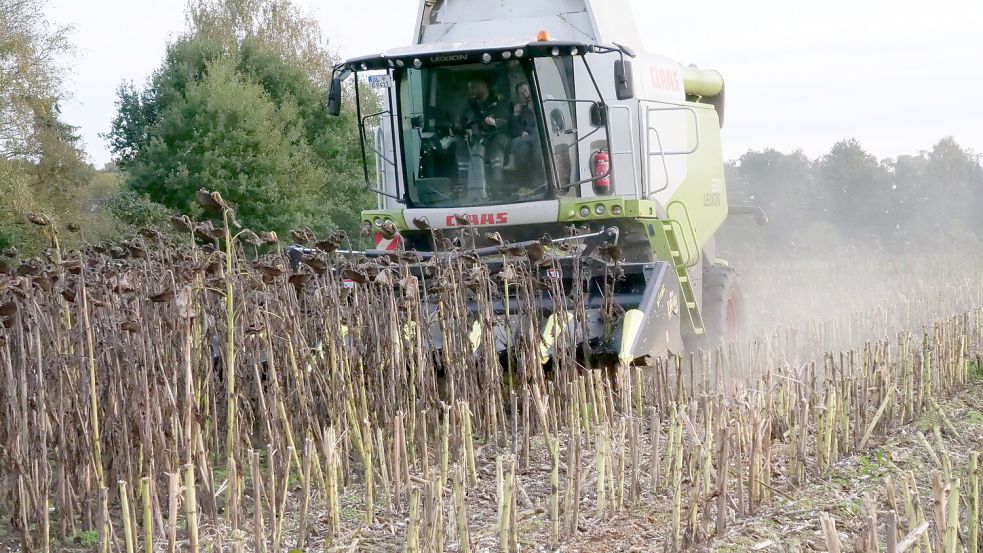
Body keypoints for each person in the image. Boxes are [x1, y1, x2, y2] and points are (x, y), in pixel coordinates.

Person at [458, 76, 511, 187]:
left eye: (474, 87)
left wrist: (495, 122)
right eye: (469, 88)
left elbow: (507, 121)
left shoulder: (498, 100)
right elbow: (462, 122)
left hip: (497, 136)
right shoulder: (469, 104)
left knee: (497, 142)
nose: (471, 90)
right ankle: (463, 185)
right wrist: (464, 129)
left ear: (484, 85)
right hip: (476, 138)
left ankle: (497, 184)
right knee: (461, 145)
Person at [506, 82, 540, 177]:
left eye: (526, 91)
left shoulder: (537, 103)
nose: (525, 95)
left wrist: (532, 108)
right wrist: (521, 131)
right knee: (518, 143)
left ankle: (512, 161)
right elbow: (515, 125)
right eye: (521, 94)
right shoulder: (519, 107)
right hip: (528, 134)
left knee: (518, 142)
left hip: (539, 133)